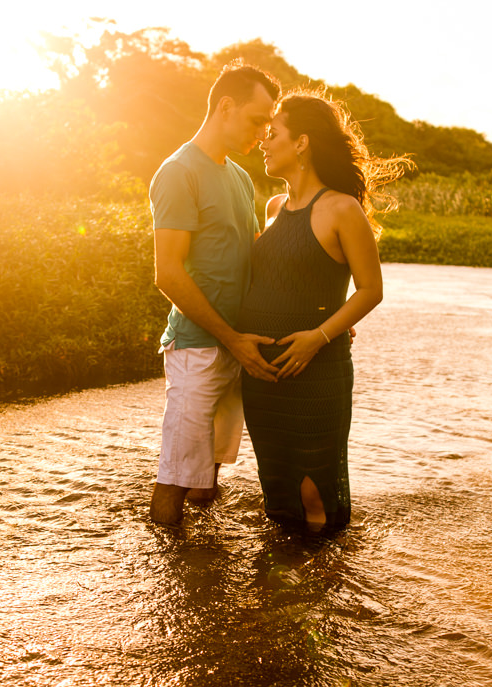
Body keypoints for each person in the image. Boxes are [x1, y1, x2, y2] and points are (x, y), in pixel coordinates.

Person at [236, 87, 410, 535]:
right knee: (277, 488)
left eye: (273, 133)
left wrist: (321, 335)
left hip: (316, 374)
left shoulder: (340, 208)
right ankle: (281, 593)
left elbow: (371, 290)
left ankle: (323, 590)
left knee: (314, 493)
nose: (263, 141)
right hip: (262, 377)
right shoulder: (274, 208)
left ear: (302, 142)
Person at [148, 62, 282, 526]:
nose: (265, 132)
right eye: (257, 120)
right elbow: (167, 273)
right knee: (176, 477)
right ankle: (167, 581)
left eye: (270, 123)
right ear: (226, 106)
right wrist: (230, 337)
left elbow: (254, 266)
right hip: (197, 348)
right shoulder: (177, 172)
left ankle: (205, 574)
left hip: (238, 347)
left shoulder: (241, 179)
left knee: (208, 478)